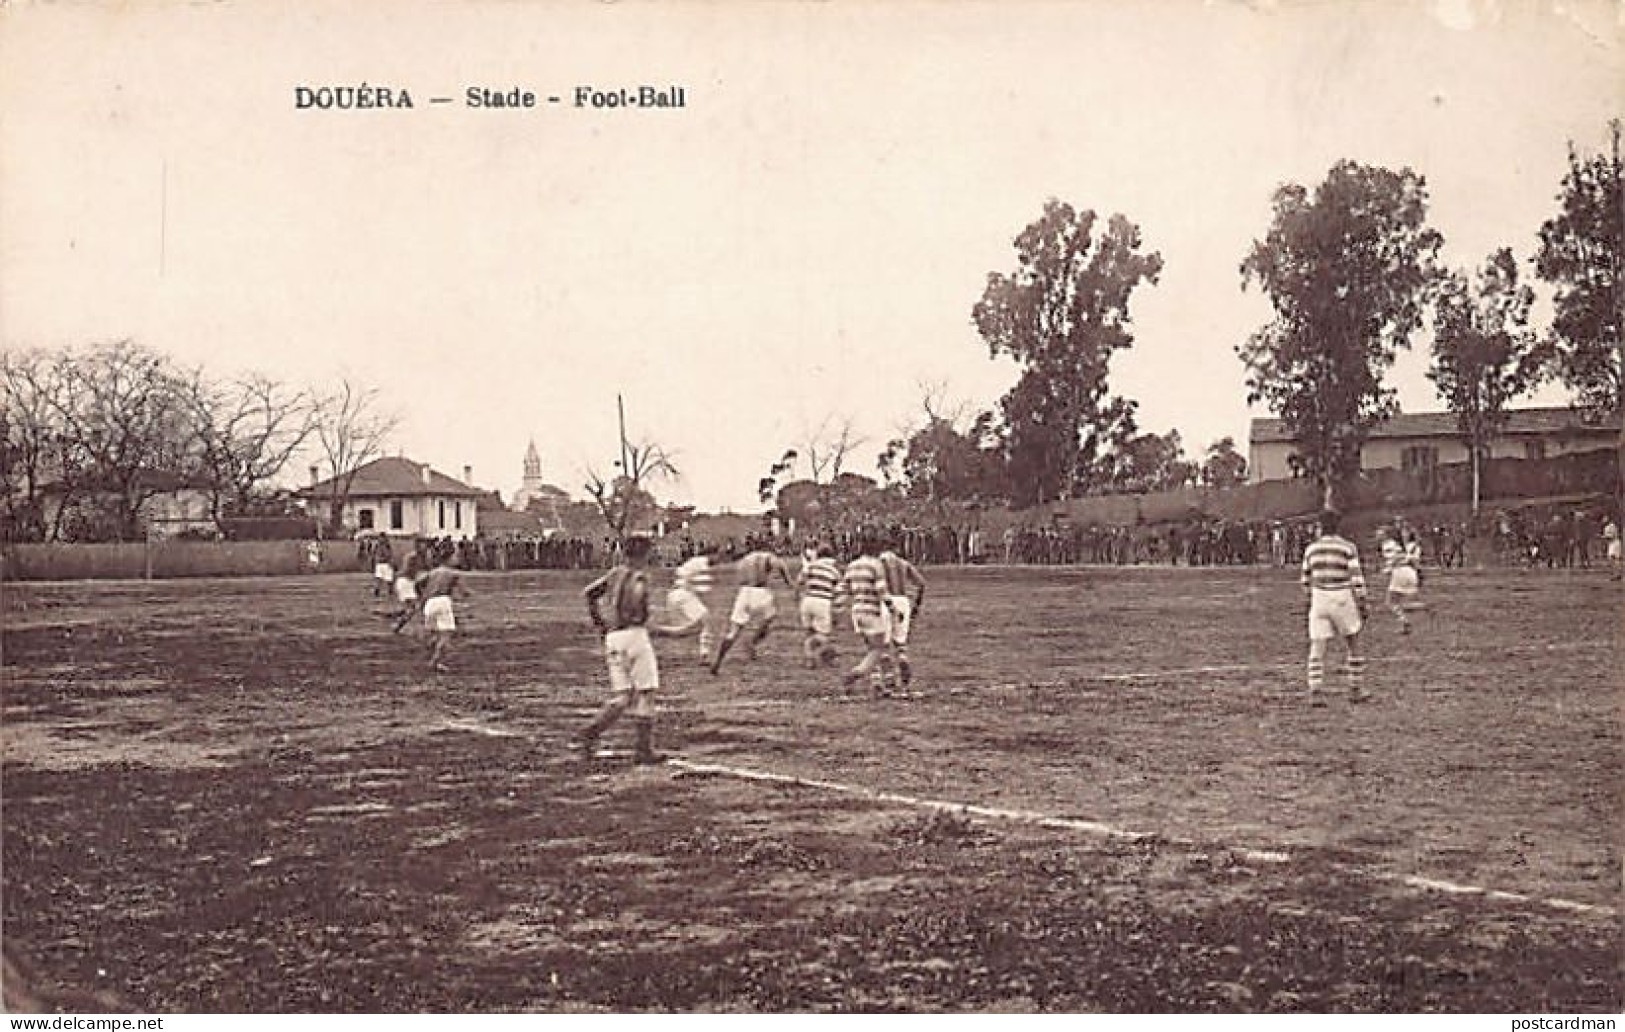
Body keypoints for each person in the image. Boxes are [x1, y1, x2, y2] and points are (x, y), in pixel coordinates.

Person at [571, 536, 696, 765]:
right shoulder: (640, 578)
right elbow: (637, 610)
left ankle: (590, 732)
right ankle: (643, 750)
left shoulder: (615, 573)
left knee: (622, 697)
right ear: (644, 554)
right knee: (646, 693)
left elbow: (589, 593)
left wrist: (600, 624)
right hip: (633, 636)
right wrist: (672, 631)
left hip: (613, 637)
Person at [1301, 510, 1369, 704]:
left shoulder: (1311, 549)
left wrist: (1311, 596)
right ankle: (1355, 687)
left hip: (1319, 596)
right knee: (1353, 642)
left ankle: (1315, 690)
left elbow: (1305, 579)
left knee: (1317, 645)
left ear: (1320, 526)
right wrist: (1362, 602)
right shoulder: (1347, 547)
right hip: (1342, 595)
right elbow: (1356, 577)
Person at [710, 548, 795, 674]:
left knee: (733, 632)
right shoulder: (768, 556)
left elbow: (739, 577)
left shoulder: (745, 560)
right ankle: (753, 641)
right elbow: (779, 564)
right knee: (770, 616)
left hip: (744, 593)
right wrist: (788, 581)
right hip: (760, 591)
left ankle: (718, 661)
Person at [838, 537, 897, 698]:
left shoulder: (852, 565)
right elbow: (881, 590)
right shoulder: (875, 565)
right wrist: (893, 608)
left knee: (871, 649)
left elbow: (843, 589)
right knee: (879, 648)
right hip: (871, 610)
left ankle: (877, 683)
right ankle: (854, 674)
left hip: (856, 611)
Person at [877, 547, 927, 685]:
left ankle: (888, 676)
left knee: (883, 643)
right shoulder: (904, 564)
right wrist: (917, 603)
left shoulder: (878, 564)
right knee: (900, 641)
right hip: (903, 601)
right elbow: (921, 583)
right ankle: (902, 658)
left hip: (885, 601)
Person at [416, 553, 469, 673]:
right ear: (448, 560)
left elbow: (418, 584)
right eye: (454, 557)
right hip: (442, 601)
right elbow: (463, 591)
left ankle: (430, 651)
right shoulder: (453, 573)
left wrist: (422, 596)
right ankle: (436, 661)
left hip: (429, 603)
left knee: (433, 633)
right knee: (446, 634)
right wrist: (465, 595)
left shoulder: (432, 572)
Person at [667, 544, 718, 665]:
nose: (718, 559)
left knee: (685, 629)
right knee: (705, 620)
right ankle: (704, 655)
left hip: (675, 595)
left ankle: (655, 636)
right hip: (683, 594)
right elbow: (703, 587)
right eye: (716, 555)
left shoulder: (692, 562)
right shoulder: (702, 562)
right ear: (711, 554)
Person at [796, 542, 842, 669]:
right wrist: (837, 608)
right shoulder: (834, 571)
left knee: (810, 632)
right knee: (822, 635)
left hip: (807, 600)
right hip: (823, 601)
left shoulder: (810, 567)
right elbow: (838, 591)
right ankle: (818, 655)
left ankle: (816, 657)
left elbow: (800, 582)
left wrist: (798, 597)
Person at [1378, 532, 1422, 635]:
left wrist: (1387, 569)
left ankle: (1405, 622)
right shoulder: (1413, 547)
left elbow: (1393, 559)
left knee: (1391, 601)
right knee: (1401, 601)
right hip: (1411, 573)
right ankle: (1405, 622)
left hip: (1400, 572)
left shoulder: (1388, 544)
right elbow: (1414, 561)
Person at [390, 549, 424, 633]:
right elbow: (411, 574)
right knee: (413, 608)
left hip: (405, 583)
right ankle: (398, 625)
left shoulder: (413, 558)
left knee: (412, 608)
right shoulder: (413, 558)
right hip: (405, 583)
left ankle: (399, 619)